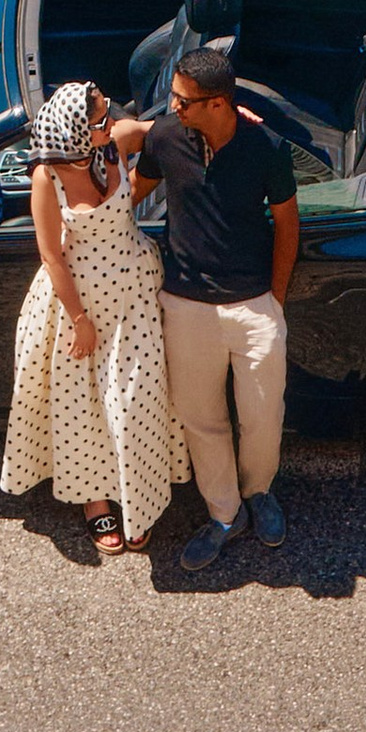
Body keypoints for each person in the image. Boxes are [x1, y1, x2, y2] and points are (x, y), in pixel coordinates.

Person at [128, 45, 300, 573]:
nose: (172, 108)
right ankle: (224, 514)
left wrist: (273, 298)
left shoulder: (267, 147)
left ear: (220, 104)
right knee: (202, 419)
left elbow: (288, 225)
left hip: (253, 307)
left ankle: (260, 494)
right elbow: (129, 196)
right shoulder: (164, 136)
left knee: (263, 416)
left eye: (183, 101)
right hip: (185, 307)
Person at [0, 80, 181, 559]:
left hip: (135, 293)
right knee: (84, 408)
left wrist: (237, 114)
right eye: (100, 119)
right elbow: (51, 256)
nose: (110, 123)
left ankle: (139, 501)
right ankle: (95, 501)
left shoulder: (113, 144)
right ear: (76, 131)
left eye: (107, 116)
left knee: (137, 398)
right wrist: (79, 319)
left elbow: (162, 127)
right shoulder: (47, 178)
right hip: (78, 305)